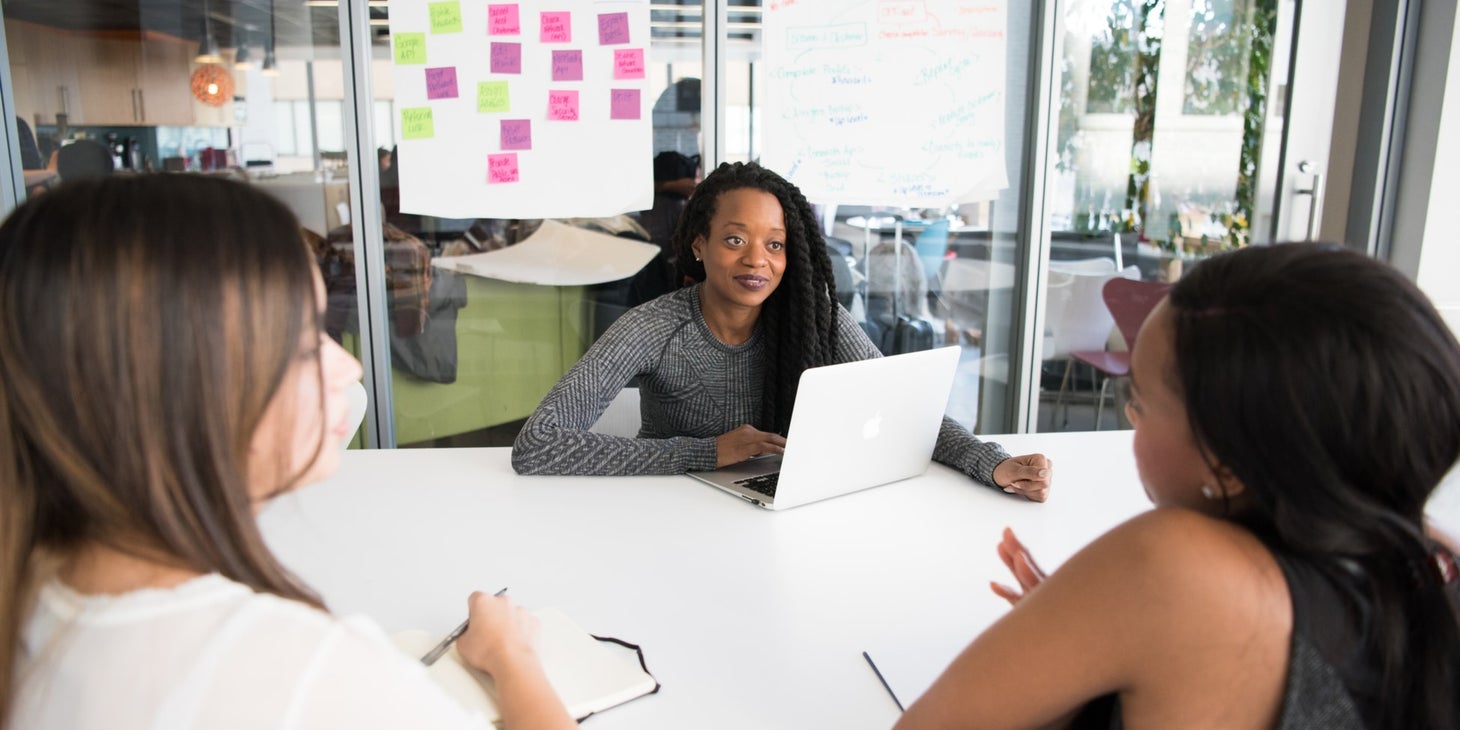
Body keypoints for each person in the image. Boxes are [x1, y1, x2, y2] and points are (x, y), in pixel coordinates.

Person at [0, 176, 574, 730]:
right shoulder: (296, 673)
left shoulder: (36, 596)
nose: (348, 366)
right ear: (183, 393)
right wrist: (511, 655)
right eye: (304, 345)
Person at [896, 244, 1460, 729]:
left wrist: (1081, 622)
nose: (1131, 419)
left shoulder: (1168, 565)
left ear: (1230, 459)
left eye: (1138, 400)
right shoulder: (1432, 561)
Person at [512, 161, 1052, 500]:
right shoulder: (654, 327)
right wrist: (703, 452)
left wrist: (993, 463)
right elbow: (537, 446)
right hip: (665, 515)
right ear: (699, 245)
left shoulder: (812, 319)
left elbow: (908, 411)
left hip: (781, 511)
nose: (757, 260)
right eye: (734, 240)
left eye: (775, 244)